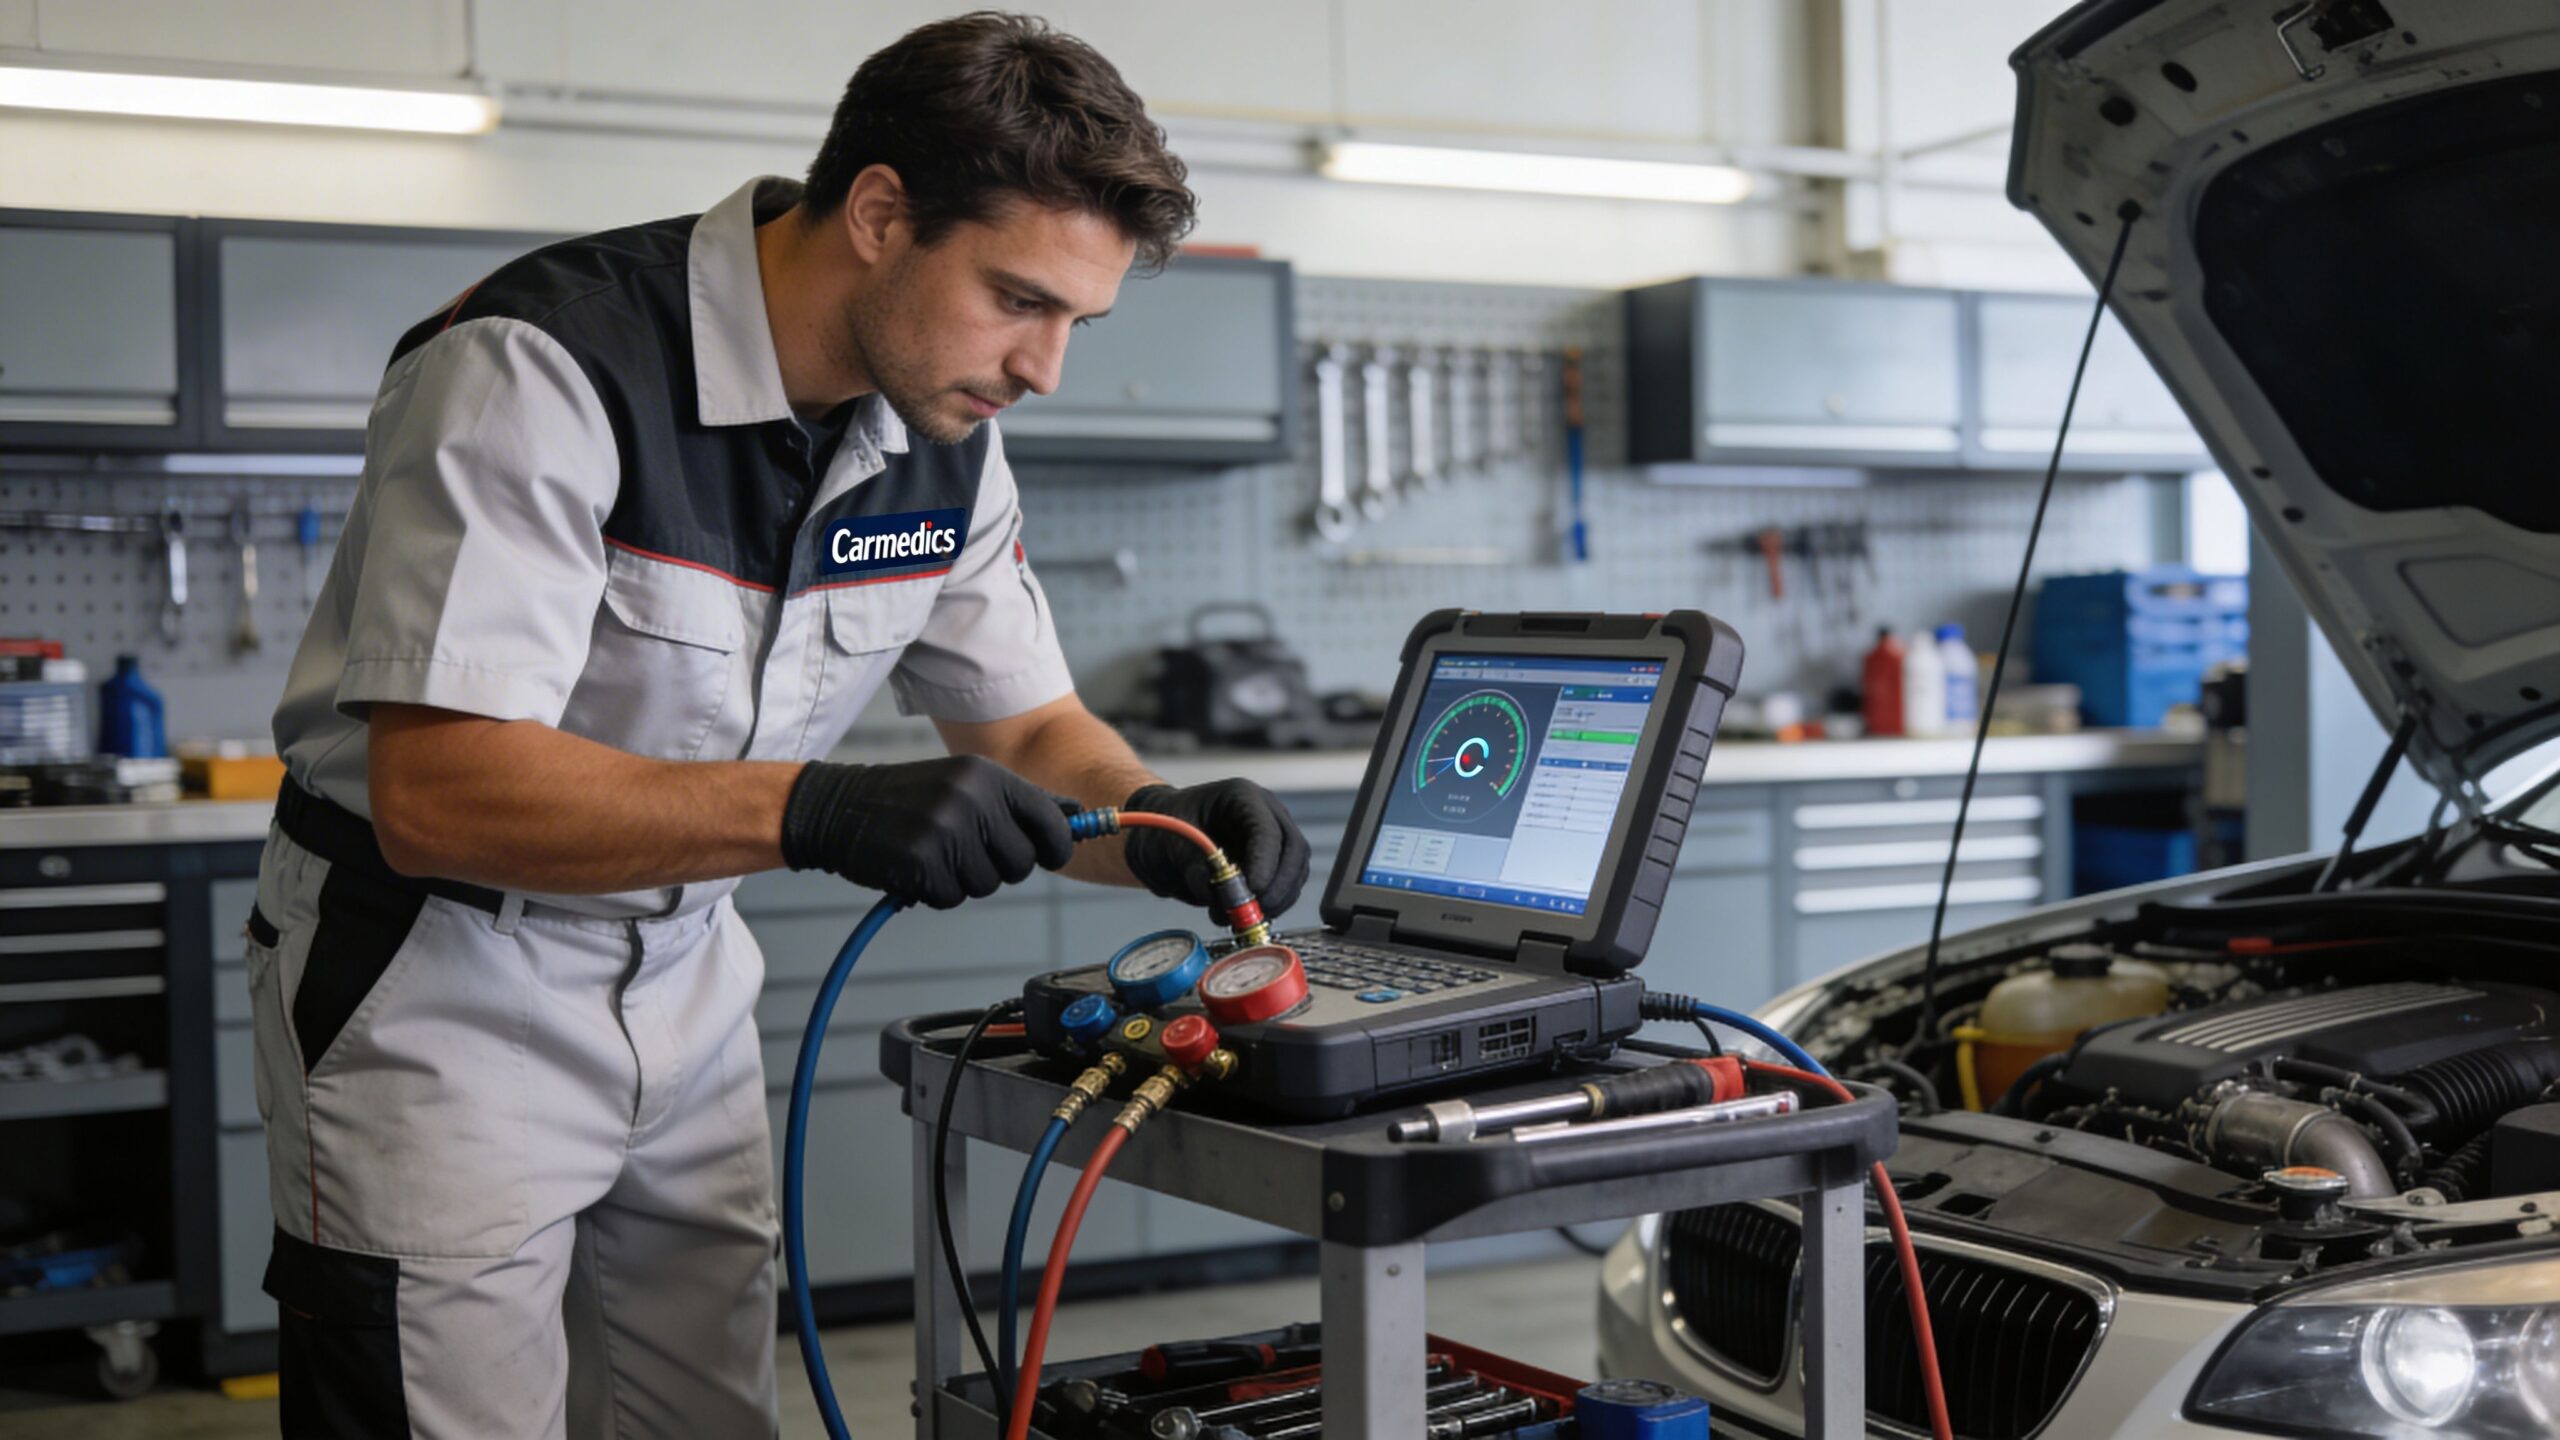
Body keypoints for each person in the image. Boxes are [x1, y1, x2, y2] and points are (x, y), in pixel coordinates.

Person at [246, 13, 1308, 1435]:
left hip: (687, 979)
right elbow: (441, 790)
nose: (1043, 366)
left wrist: (1167, 823)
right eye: (1017, 299)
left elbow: (1031, 732)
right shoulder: (542, 366)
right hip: (440, 978)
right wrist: (815, 806)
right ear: (879, 213)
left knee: (704, 1413)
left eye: (1075, 322)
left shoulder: (941, 436)